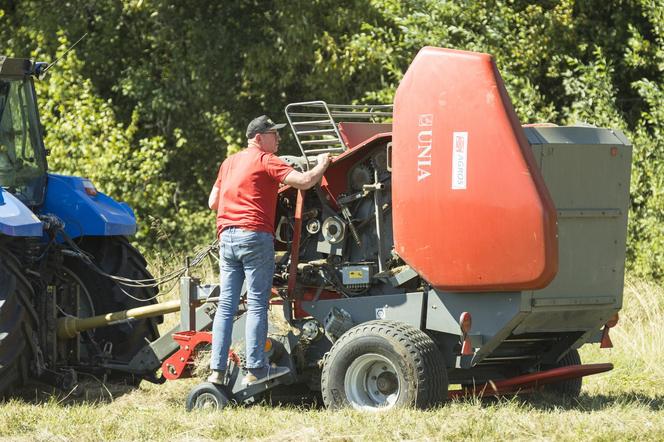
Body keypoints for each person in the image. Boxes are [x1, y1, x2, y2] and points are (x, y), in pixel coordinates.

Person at [207, 115, 331, 385]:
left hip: (227, 237)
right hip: (254, 236)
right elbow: (305, 180)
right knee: (257, 305)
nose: (279, 139)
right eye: (274, 134)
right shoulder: (265, 159)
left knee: (226, 306)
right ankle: (256, 370)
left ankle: (216, 371)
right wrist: (322, 163)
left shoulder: (228, 163)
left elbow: (212, 202)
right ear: (259, 138)